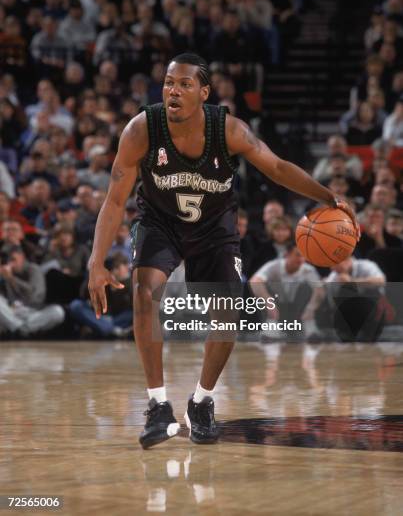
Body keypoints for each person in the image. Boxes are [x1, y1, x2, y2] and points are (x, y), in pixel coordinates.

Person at [87, 53, 358, 449]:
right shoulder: (141, 130)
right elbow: (114, 201)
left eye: (184, 84)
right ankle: (158, 406)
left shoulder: (229, 130)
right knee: (144, 291)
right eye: (168, 82)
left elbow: (279, 169)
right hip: (160, 222)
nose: (173, 90)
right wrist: (96, 260)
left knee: (228, 309)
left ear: (204, 92)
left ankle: (201, 400)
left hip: (214, 228)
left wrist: (328, 195)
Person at [249, 243, 325, 341]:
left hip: (299, 310)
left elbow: (320, 290)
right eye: (297, 255)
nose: (301, 259)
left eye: (303, 256)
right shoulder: (273, 266)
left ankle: (308, 326)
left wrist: (310, 309)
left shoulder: (308, 270)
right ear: (287, 255)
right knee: (262, 285)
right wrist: (268, 301)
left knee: (312, 287)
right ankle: (270, 326)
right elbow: (254, 281)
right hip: (275, 307)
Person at [0, 245, 65, 336]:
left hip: (32, 312)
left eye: (13, 260)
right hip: (11, 313)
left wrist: (12, 279)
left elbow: (35, 298)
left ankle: (19, 329)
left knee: (58, 312)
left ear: (22, 257)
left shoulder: (34, 270)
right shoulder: (4, 273)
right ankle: (20, 328)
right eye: (8, 261)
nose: (11, 264)